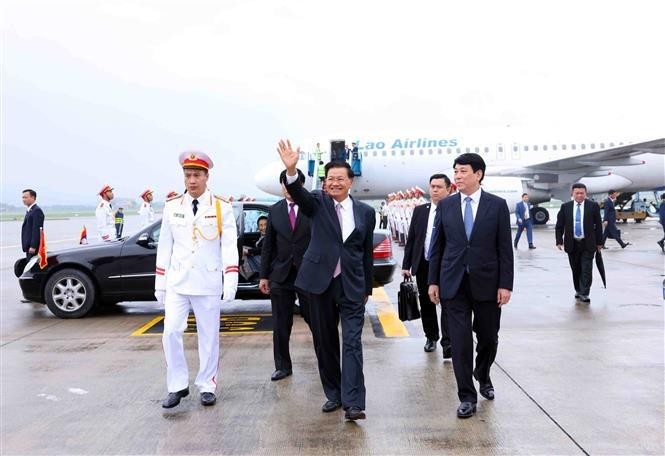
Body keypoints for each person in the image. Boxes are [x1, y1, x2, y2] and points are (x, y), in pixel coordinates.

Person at [277, 139, 376, 421]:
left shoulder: (366, 213)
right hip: (318, 282)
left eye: (339, 179)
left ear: (350, 182)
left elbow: (365, 251)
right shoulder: (317, 203)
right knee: (325, 340)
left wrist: (367, 286)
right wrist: (292, 169)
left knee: (353, 343)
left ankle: (354, 403)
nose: (334, 183)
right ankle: (334, 393)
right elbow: (298, 192)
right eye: (329, 179)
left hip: (352, 284)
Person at [427, 153, 514, 419]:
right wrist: (433, 280)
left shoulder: (497, 206)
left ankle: (483, 373)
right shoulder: (446, 206)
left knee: (488, 337)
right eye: (455, 171)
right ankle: (467, 396)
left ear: (479, 174)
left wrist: (505, 284)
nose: (458, 176)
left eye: (463, 171)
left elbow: (504, 248)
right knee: (460, 343)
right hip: (453, 284)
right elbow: (437, 247)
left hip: (487, 283)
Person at [155, 151, 239, 409]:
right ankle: (177, 385)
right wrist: (160, 282)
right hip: (178, 281)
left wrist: (231, 279)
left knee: (209, 335)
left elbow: (229, 246)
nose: (191, 180)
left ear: (206, 176)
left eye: (196, 175)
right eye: (187, 175)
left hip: (208, 280)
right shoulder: (172, 206)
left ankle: (207, 385)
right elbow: (164, 246)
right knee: (170, 332)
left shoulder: (221, 206)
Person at [259, 169, 313, 382]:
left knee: (317, 321)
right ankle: (282, 366)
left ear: (300, 186)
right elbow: (268, 246)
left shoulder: (312, 208)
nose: (288, 189)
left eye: (293, 185)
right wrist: (264, 276)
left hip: (308, 274)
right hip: (280, 275)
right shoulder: (275, 210)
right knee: (281, 325)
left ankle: (325, 362)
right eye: (285, 185)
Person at [401, 174, 453, 357]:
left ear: (449, 189)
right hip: (423, 263)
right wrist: (406, 264)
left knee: (448, 303)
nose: (435, 190)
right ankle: (431, 336)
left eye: (439, 187)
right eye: (432, 186)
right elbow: (413, 239)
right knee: (426, 302)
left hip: (446, 266)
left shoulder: (453, 210)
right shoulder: (421, 210)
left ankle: (449, 342)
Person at [555, 183, 603, 303]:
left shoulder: (593, 206)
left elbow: (598, 226)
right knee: (575, 268)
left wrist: (599, 242)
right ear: (572, 194)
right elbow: (559, 226)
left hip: (588, 243)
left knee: (587, 268)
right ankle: (578, 289)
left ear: (586, 193)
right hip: (572, 243)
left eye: (582, 193)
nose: (580, 195)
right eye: (577, 193)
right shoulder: (565, 207)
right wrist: (559, 241)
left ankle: (585, 292)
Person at [240, 216, 267, 281]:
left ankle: (250, 277)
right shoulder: (262, 236)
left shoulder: (270, 237)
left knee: (241, 252)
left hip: (265, 262)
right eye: (261, 225)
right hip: (260, 258)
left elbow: (263, 249)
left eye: (266, 225)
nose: (263, 227)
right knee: (241, 249)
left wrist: (249, 251)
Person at [21, 189, 45, 259]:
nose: (23, 199)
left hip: (33, 248)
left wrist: (33, 246)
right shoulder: (30, 210)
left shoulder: (36, 211)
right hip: (28, 246)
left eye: (25, 197)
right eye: (22, 197)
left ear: (33, 198)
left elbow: (37, 230)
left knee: (33, 267)